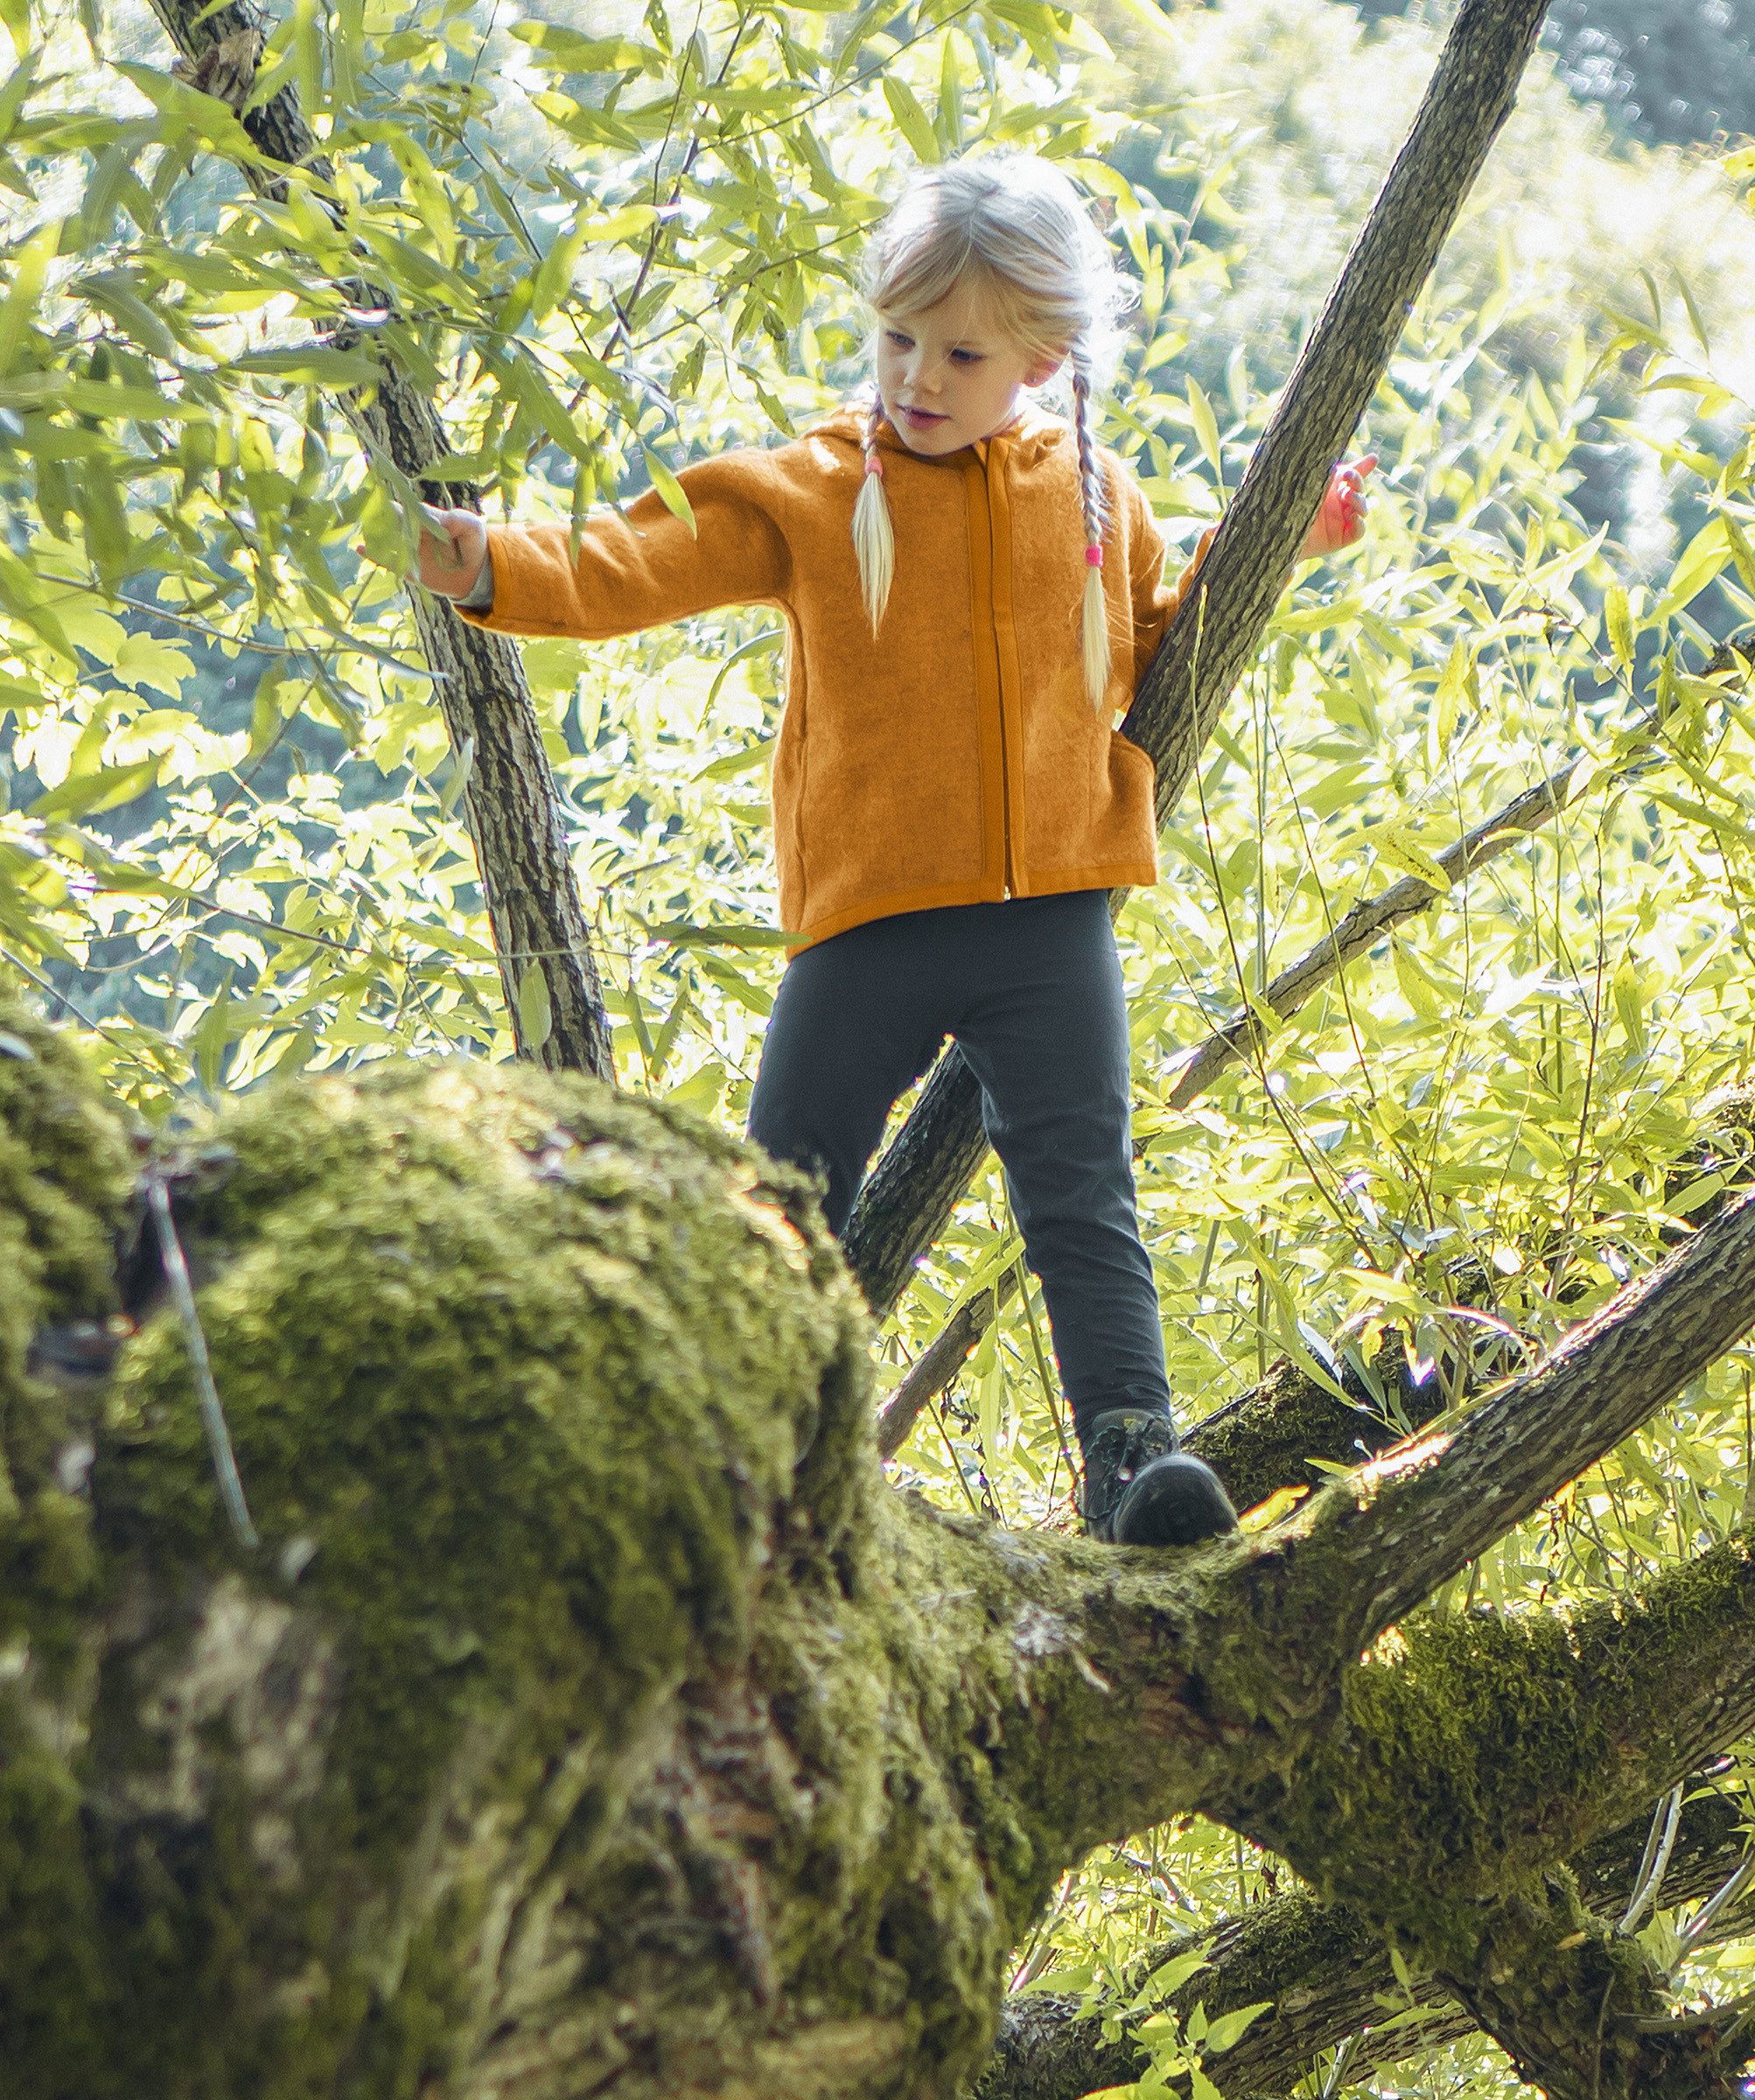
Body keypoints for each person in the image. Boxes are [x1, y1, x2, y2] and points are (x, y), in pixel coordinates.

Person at [405, 153, 1373, 1547]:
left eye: (960, 351)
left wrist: (1297, 537)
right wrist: (489, 562)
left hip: (1050, 919)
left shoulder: (1093, 495)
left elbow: (1165, 628)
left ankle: (1129, 1456)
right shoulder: (809, 488)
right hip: (869, 925)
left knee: (1083, 1191)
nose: (918, 373)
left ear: (1039, 357)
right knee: (790, 1188)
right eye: (899, 339)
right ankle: (737, 1445)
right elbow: (635, 559)